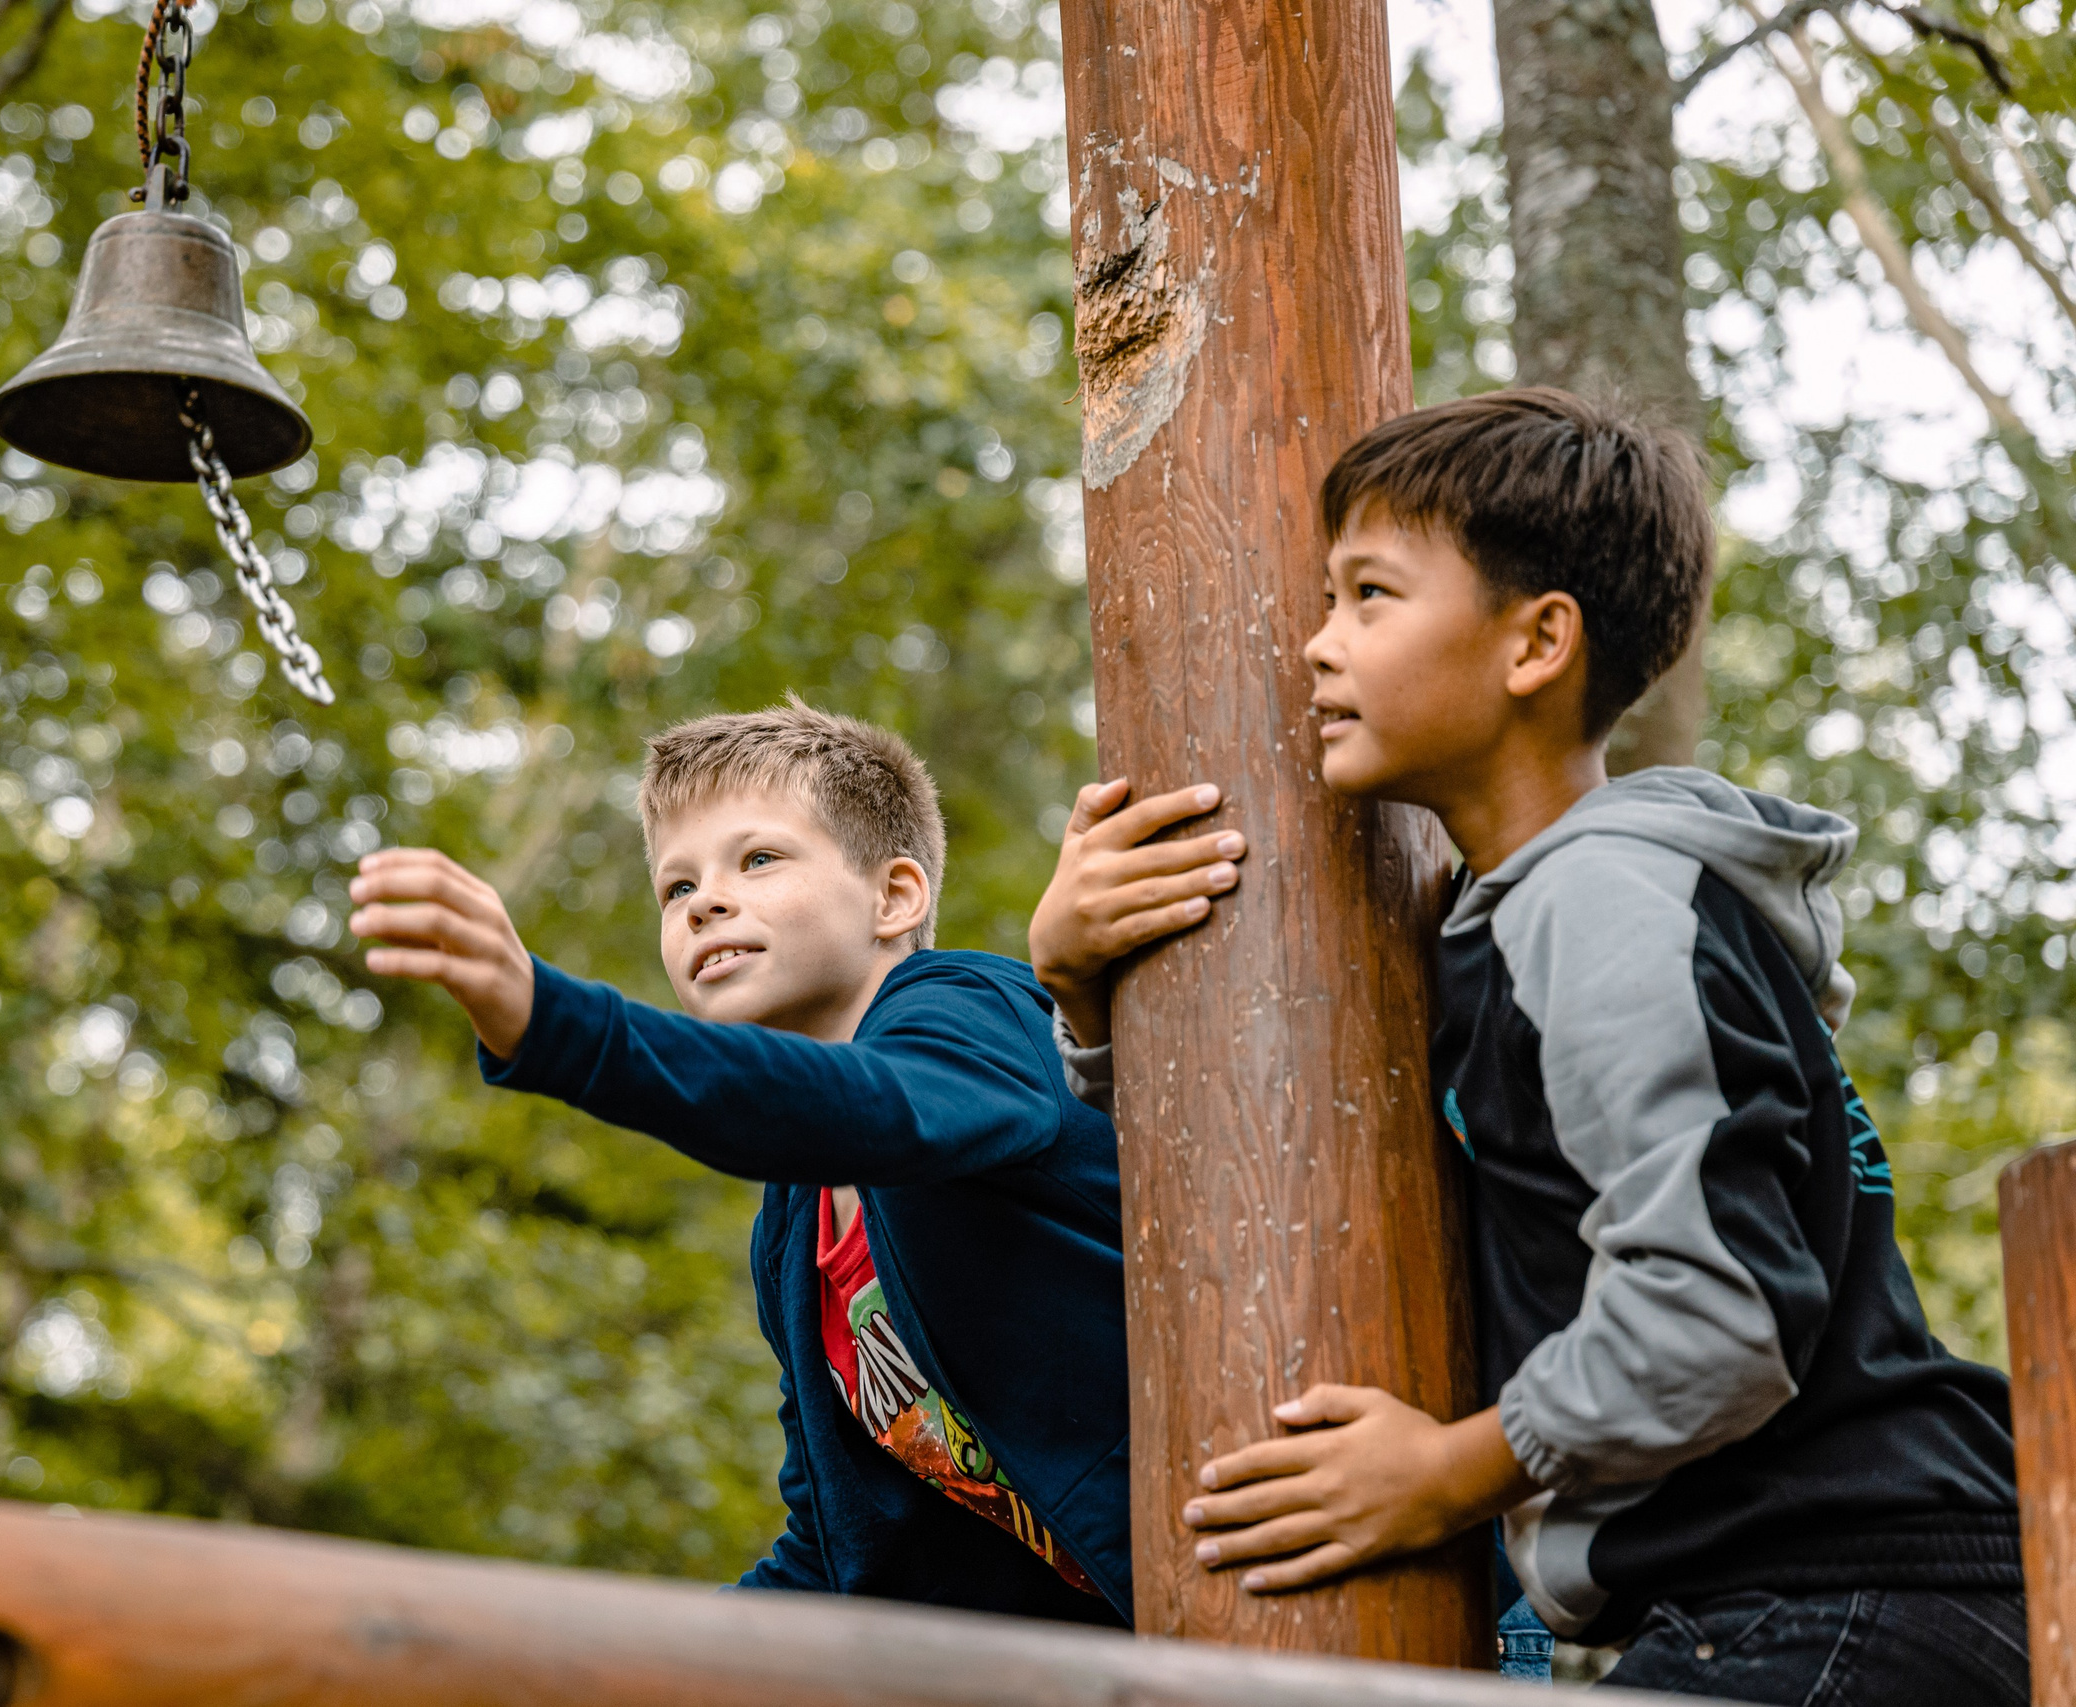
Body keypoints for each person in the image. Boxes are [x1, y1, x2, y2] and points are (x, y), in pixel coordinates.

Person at [1028, 388, 2028, 1702]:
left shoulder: (1602, 899)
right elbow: (1266, 1165)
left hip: (1845, 1589)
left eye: (1369, 595)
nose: (1316, 646)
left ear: (1535, 642)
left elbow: (1720, 1307)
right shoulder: (1499, 927)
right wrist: (1082, 988)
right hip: (1784, 1598)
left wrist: (1445, 1469)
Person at [348, 698, 1201, 1626]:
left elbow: (869, 1109)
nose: (706, 900)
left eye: (757, 859)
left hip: (1239, 1563)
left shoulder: (969, 1012)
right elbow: (840, 1547)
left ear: (895, 896)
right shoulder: (797, 1227)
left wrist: (551, 1020)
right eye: (677, 889)